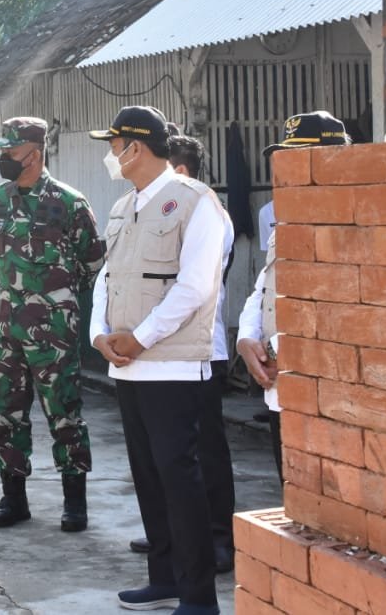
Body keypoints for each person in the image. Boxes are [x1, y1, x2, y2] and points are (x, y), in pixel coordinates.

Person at [89, 106, 224, 615]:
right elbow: (106, 278)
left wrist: (140, 339)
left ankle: (199, 597)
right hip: (128, 365)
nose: (110, 155)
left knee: (179, 478)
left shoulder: (196, 202)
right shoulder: (124, 205)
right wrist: (99, 334)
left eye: (114, 145)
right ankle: (163, 578)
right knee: (148, 476)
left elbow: (195, 287)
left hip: (172, 366)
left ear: (135, 147)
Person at [0, 116, 105, 533]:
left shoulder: (68, 202)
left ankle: (75, 501)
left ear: (35, 153)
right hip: (5, 329)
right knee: (6, 413)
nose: (4, 157)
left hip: (52, 330)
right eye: (2, 150)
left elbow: (92, 262)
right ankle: (13, 497)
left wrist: (57, 299)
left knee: (64, 412)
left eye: (12, 150)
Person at [126, 134, 236, 574]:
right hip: (155, 353)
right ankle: (173, 535)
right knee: (162, 456)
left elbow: (193, 287)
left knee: (203, 451)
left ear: (181, 172)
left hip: (199, 350)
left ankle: (218, 537)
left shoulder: (208, 214)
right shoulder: (142, 210)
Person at [237, 111, 351, 484]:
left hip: (323, 391)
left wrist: (276, 352)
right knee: (291, 490)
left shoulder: (349, 226)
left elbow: (337, 311)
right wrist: (246, 340)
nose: (285, 172)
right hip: (279, 388)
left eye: (298, 159)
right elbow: (262, 289)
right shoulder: (284, 224)